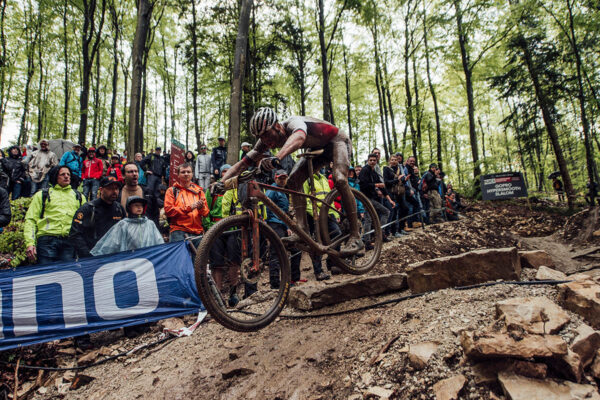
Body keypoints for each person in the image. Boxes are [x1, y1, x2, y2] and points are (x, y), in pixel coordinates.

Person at [217, 107, 363, 255]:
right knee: (293, 182)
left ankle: (356, 236)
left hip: (337, 141)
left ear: (277, 126)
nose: (266, 140)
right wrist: (221, 182)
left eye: (267, 134)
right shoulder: (264, 142)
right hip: (318, 148)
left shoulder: (293, 123)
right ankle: (302, 231)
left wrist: (277, 157)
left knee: (339, 179)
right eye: (261, 137)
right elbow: (243, 163)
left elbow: (299, 138)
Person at [24, 166, 82, 264]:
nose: (66, 176)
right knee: (46, 275)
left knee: (67, 274)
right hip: (46, 240)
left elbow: (85, 221)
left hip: (69, 241)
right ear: (55, 177)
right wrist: (30, 243)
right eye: (62, 174)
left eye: (68, 174)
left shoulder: (78, 196)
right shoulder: (42, 195)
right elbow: (30, 219)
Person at [69, 176, 126, 259]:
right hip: (92, 258)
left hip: (114, 257)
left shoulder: (119, 209)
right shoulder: (88, 208)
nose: (114, 191)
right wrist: (87, 255)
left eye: (116, 188)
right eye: (110, 188)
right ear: (101, 190)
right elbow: (75, 234)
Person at [91, 196, 164, 256]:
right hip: (129, 261)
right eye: (136, 205)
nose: (139, 207)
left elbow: (159, 242)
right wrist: (98, 256)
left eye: (141, 205)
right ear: (129, 208)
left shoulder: (150, 224)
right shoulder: (123, 225)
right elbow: (112, 244)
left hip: (147, 261)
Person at [265, 170, 302, 288]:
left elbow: (284, 212)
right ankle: (275, 284)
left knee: (296, 250)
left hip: (282, 225)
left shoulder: (282, 191)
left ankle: (293, 279)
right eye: (280, 178)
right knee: (276, 252)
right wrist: (267, 225)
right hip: (274, 224)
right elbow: (266, 205)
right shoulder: (272, 190)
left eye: (284, 178)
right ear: (275, 178)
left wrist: (287, 227)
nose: (282, 180)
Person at [164, 162, 209, 245]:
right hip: (178, 232)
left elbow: (206, 213)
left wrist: (201, 208)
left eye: (188, 172)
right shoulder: (172, 191)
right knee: (179, 258)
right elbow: (168, 211)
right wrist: (189, 208)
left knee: (198, 258)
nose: (186, 174)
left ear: (192, 174)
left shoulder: (199, 191)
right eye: (183, 172)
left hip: (197, 232)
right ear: (178, 175)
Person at [359, 153, 393, 244]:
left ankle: (369, 240)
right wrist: (376, 185)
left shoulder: (374, 172)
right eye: (371, 160)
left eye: (374, 160)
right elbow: (363, 185)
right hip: (366, 198)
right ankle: (378, 235)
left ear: (377, 161)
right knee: (385, 212)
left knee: (369, 218)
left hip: (372, 198)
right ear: (368, 161)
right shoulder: (364, 170)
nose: (372, 162)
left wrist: (390, 200)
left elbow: (382, 187)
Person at [383, 155, 409, 237]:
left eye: (395, 160)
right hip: (391, 192)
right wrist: (397, 180)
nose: (394, 161)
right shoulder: (386, 169)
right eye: (392, 160)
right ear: (389, 161)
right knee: (394, 211)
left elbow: (400, 181)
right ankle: (394, 232)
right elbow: (386, 182)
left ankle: (401, 228)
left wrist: (404, 180)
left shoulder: (399, 169)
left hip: (400, 192)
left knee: (405, 208)